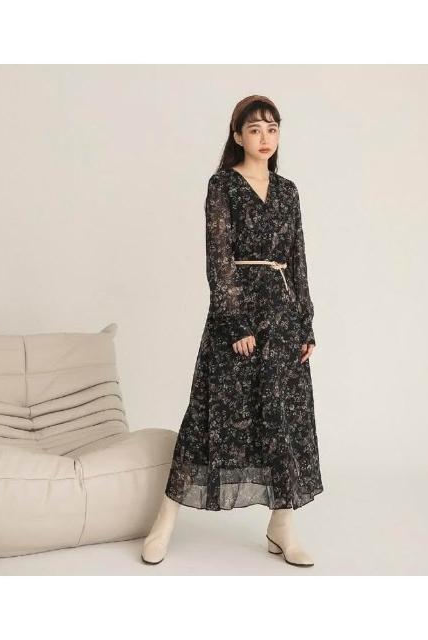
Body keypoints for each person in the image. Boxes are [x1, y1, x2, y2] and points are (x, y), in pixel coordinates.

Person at [141, 95, 324, 567]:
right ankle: (165, 521)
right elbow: (218, 257)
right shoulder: (222, 184)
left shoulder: (288, 192)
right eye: (255, 129)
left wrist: (305, 324)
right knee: (208, 417)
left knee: (282, 419)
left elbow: (298, 259)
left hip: (282, 316)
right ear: (238, 136)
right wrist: (235, 321)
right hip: (237, 315)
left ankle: (282, 526)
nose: (265, 137)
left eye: (272, 129)